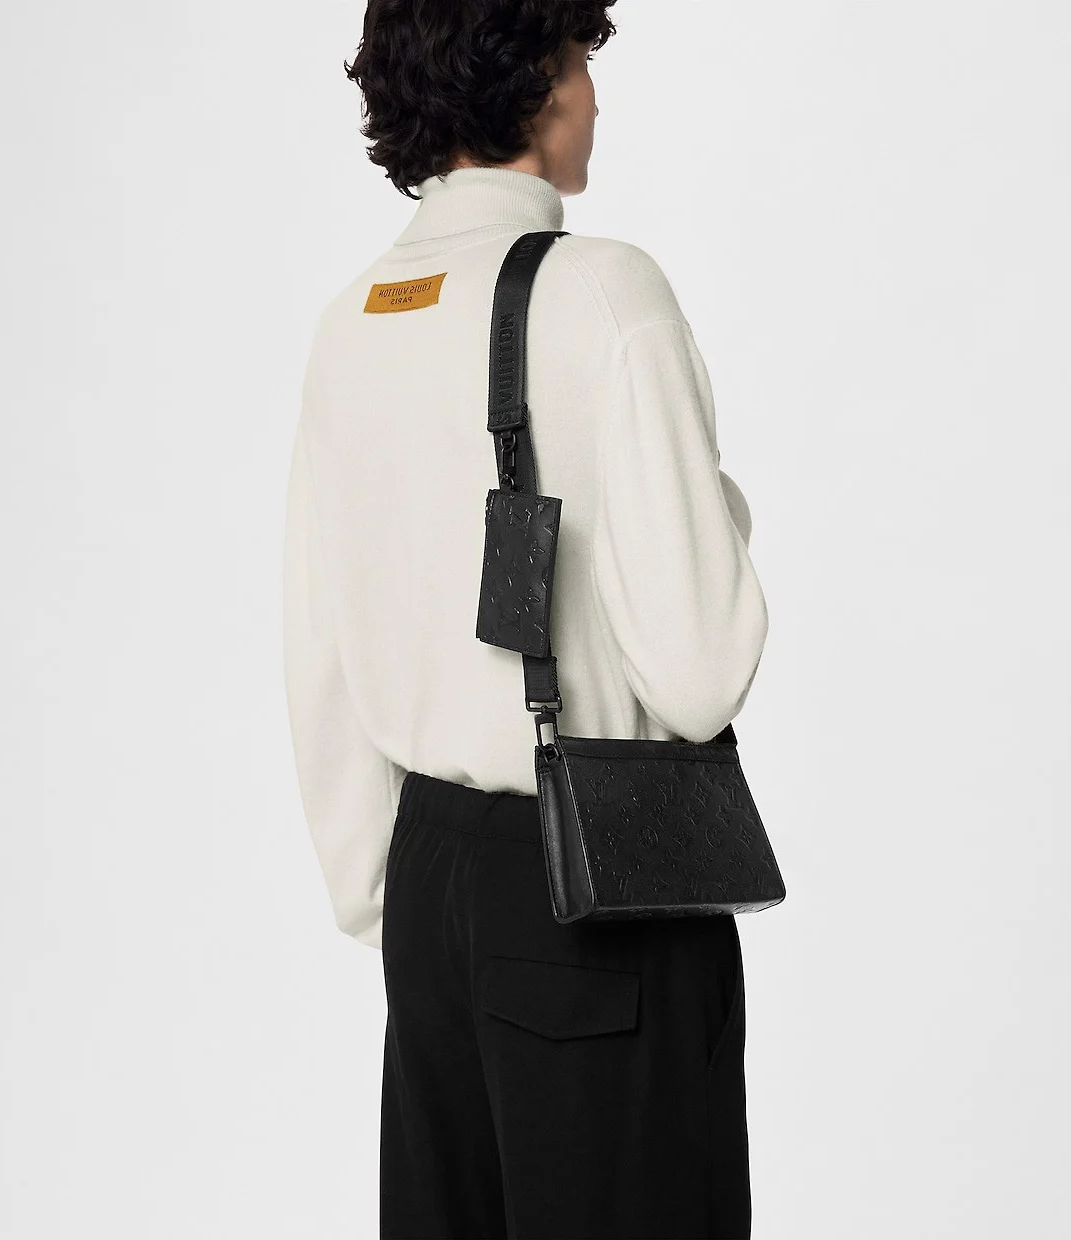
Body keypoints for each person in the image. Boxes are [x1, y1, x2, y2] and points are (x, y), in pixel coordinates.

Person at [282, 2, 770, 1236]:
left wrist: (389, 902)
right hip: (591, 885)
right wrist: (717, 505)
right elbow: (700, 670)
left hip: (427, 882)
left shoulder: (352, 320)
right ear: (537, 86)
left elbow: (319, 642)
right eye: (581, 65)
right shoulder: (604, 293)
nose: (594, 97)